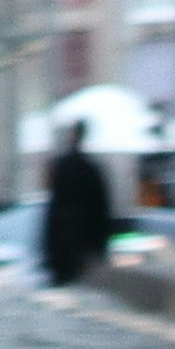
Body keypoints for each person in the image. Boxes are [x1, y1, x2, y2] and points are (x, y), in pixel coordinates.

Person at [40, 122, 115, 287]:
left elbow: (52, 212)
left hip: (63, 248)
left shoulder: (63, 168)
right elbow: (101, 211)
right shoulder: (91, 170)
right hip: (85, 248)